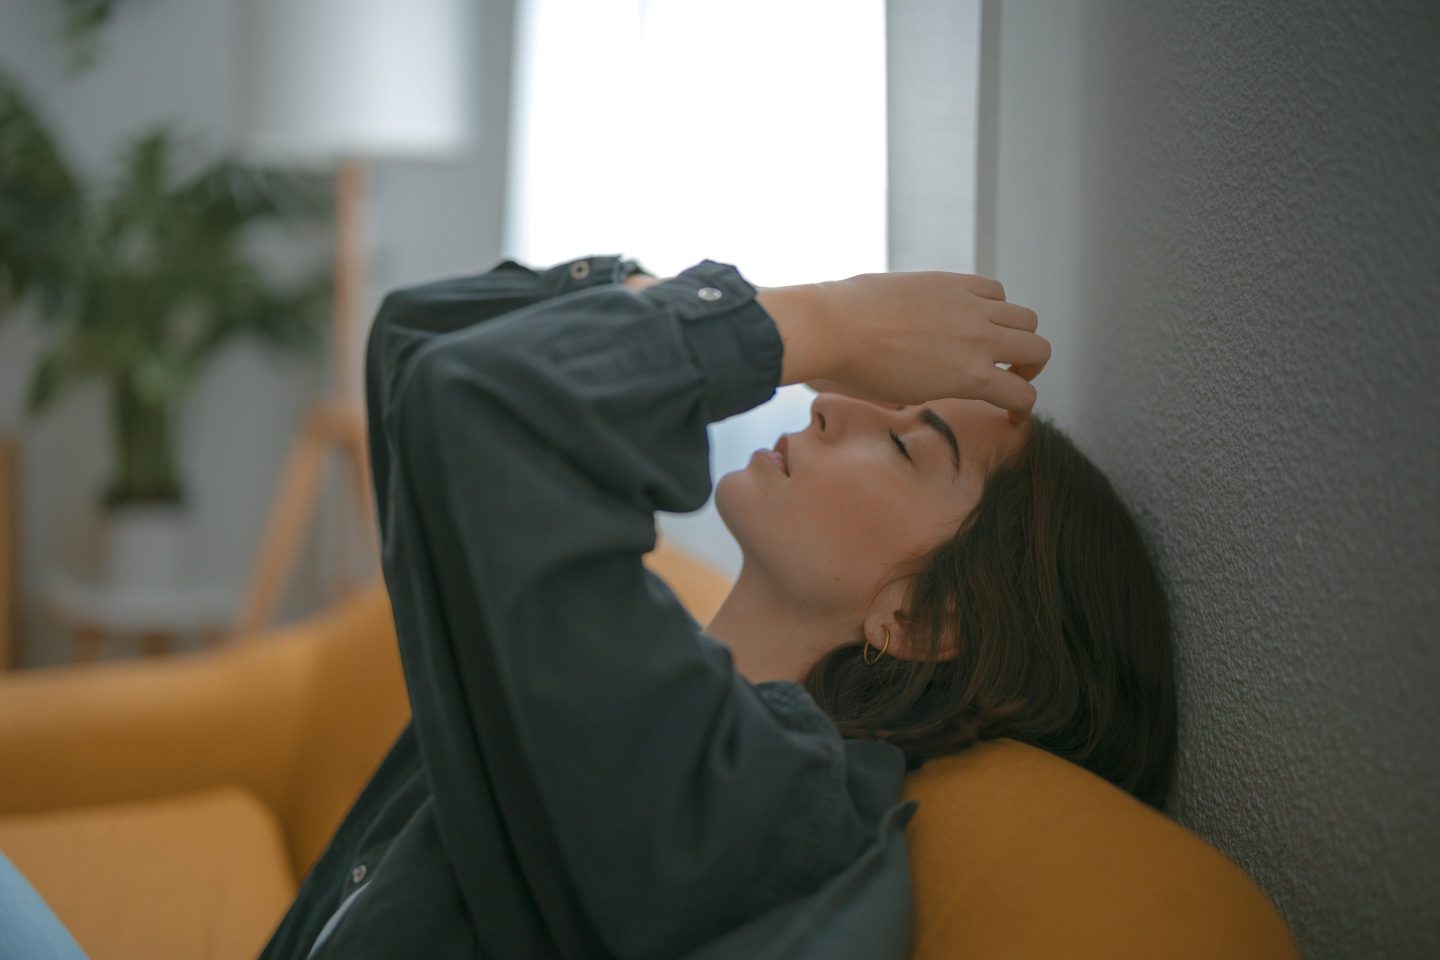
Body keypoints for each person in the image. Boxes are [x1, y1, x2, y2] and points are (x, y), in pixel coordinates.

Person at [248, 253, 1174, 959]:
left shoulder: (765, 806)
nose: (828, 404)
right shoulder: (676, 696)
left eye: (904, 445)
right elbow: (419, 340)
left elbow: (477, 405)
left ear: (923, 621)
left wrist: (825, 322)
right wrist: (700, 299)